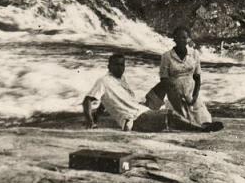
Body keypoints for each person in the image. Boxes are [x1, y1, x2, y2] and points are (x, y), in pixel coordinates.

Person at [82, 53, 221, 132]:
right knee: (169, 115)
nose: (120, 67)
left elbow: (106, 99)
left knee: (166, 84)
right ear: (109, 66)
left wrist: (97, 115)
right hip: (135, 119)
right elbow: (87, 100)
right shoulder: (103, 81)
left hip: (142, 108)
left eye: (122, 64)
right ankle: (200, 128)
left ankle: (190, 119)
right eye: (116, 64)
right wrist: (90, 122)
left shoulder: (120, 79)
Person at [158, 26, 214, 128]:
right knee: (181, 122)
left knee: (204, 120)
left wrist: (195, 96)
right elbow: (164, 80)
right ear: (174, 38)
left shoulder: (194, 54)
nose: (181, 40)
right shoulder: (166, 56)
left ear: (188, 39)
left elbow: (197, 77)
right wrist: (174, 97)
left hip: (191, 93)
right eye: (178, 37)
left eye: (184, 38)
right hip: (175, 95)